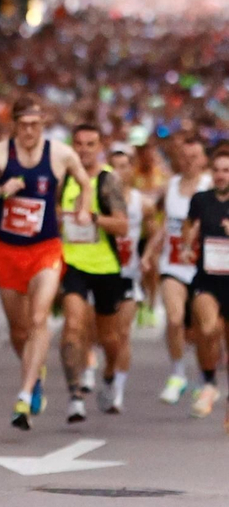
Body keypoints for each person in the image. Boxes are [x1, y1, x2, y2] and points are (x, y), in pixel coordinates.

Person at [0, 96, 92, 431]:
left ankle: (23, 394)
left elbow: (85, 180)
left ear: (44, 123)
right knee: (18, 330)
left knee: (38, 318)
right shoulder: (0, 154)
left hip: (45, 249)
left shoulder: (60, 153)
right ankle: (34, 376)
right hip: (7, 251)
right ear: (14, 124)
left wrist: (82, 206)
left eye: (36, 124)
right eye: (24, 124)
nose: (30, 131)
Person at [56, 125, 131, 424]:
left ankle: (110, 374)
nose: (84, 149)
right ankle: (74, 396)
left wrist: (95, 218)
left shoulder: (107, 180)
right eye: (79, 144)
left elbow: (123, 226)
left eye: (91, 143)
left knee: (108, 337)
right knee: (73, 326)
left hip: (105, 267)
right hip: (72, 262)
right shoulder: (64, 180)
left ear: (100, 146)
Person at [147, 134, 209, 405]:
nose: (189, 162)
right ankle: (177, 374)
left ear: (204, 160)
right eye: (184, 157)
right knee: (173, 319)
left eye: (194, 157)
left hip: (203, 268)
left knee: (199, 330)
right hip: (172, 265)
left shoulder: (212, 185)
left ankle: (203, 378)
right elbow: (165, 225)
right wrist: (149, 252)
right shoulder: (170, 186)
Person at [180, 144, 229, 427]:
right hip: (206, 278)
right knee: (209, 329)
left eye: (226, 171)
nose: (221, 176)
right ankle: (209, 383)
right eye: (217, 170)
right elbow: (190, 225)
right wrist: (187, 244)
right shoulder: (201, 199)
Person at [102, 144, 150, 413]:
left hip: (128, 275)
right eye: (114, 167)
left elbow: (158, 229)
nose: (119, 173)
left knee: (122, 334)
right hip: (101, 272)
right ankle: (104, 370)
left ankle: (117, 390)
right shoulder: (99, 198)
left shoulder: (141, 203)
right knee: (102, 335)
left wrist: (148, 255)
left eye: (124, 167)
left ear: (132, 170)